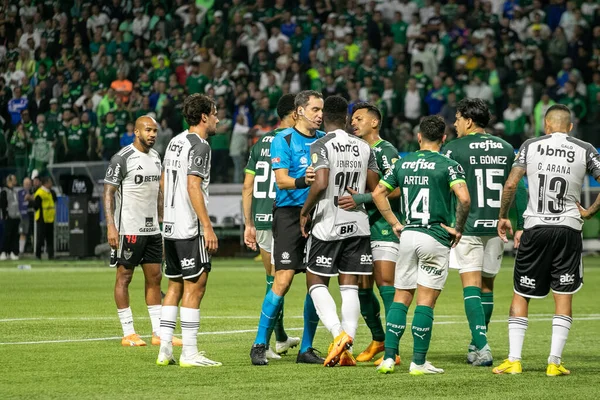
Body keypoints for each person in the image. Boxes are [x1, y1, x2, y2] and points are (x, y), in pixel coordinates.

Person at [493, 104, 600, 376]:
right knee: (563, 295)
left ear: (546, 126)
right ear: (571, 127)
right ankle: (554, 362)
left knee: (521, 292)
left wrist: (504, 215)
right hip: (568, 228)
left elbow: (511, 184)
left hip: (535, 227)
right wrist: (589, 211)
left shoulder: (530, 145)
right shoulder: (585, 148)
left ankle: (514, 360)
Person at [372, 115, 471, 375]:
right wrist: (458, 229)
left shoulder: (404, 163)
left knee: (401, 298)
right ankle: (418, 362)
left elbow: (378, 193)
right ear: (444, 138)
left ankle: (389, 359)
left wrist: (394, 222)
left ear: (419, 137)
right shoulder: (449, 165)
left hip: (407, 236)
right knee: (425, 302)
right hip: (434, 236)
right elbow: (464, 198)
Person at [442, 98, 527, 366]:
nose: (454, 124)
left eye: (457, 118)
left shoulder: (453, 148)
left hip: (467, 226)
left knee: (470, 285)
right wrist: (521, 224)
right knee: (487, 285)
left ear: (468, 120)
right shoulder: (505, 148)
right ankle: (475, 344)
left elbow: (445, 187)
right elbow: (518, 188)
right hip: (496, 225)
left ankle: (483, 346)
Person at [300, 95, 380, 367]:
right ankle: (346, 350)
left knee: (316, 282)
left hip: (328, 224)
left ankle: (338, 334)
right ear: (346, 118)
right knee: (350, 288)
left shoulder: (320, 144)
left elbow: (320, 181)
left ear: (325, 118)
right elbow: (374, 185)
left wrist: (305, 211)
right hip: (358, 224)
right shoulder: (364, 146)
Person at [249, 90, 324, 366]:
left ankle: (306, 348)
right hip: (289, 215)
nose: (320, 115)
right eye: (315, 109)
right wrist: (304, 181)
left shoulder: (323, 140)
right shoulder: (283, 140)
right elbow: (281, 181)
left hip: (318, 214)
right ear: (299, 111)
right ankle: (259, 343)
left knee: (316, 282)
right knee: (283, 280)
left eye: (322, 110)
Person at [156, 94, 222, 368]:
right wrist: (207, 226)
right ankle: (190, 353)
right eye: (215, 113)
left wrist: (165, 215)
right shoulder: (201, 146)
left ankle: (165, 351)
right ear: (204, 116)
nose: (218, 119)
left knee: (174, 286)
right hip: (188, 228)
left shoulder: (175, 141)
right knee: (196, 286)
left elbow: (162, 182)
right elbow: (193, 185)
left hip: (169, 227)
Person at [338, 102, 401, 365]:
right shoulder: (357, 150)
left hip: (383, 225)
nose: (354, 123)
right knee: (361, 287)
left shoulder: (385, 150)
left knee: (385, 283)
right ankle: (378, 338)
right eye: (352, 119)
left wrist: (363, 197)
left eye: (360, 118)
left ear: (374, 123)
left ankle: (393, 351)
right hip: (360, 226)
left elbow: (397, 189)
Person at [103, 116, 171, 347]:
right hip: (128, 229)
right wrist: (111, 225)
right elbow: (108, 193)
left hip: (152, 230)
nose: (152, 134)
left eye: (155, 130)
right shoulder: (122, 158)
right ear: (136, 131)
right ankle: (128, 332)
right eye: (148, 130)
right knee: (125, 277)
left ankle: (158, 333)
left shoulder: (156, 157)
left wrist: (162, 219)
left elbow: (158, 192)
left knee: (155, 278)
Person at [243, 93, 301, 360]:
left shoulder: (260, 142)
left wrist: (248, 223)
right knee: (280, 280)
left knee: (274, 279)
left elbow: (247, 186)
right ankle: (264, 342)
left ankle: (279, 337)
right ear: (294, 113)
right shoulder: (293, 140)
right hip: (283, 213)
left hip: (262, 216)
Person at [33, 176, 57, 260]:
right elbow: (36, 206)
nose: (51, 184)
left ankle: (51, 255)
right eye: (50, 182)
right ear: (46, 183)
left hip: (50, 218)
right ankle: (38, 255)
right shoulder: (39, 193)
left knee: (50, 238)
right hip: (42, 219)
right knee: (40, 238)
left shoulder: (51, 192)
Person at [0, 174, 21, 260]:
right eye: (14, 179)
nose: (15, 181)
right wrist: (5, 215)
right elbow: (2, 204)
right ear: (9, 181)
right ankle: (4, 252)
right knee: (6, 235)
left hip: (16, 216)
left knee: (15, 235)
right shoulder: (4, 191)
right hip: (8, 216)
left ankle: (13, 252)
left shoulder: (15, 192)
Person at [18, 177, 32, 254]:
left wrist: (31, 198)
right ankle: (21, 250)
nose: (27, 185)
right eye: (26, 184)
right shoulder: (19, 193)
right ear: (23, 184)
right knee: (22, 232)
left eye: (29, 184)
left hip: (32, 216)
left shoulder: (33, 192)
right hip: (23, 216)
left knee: (31, 233)